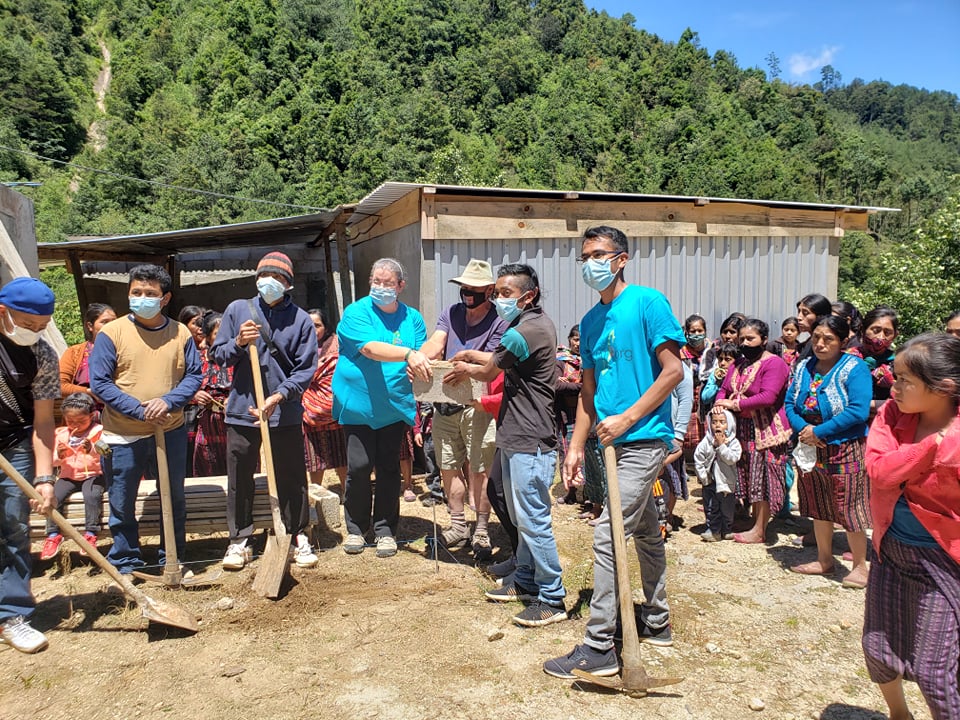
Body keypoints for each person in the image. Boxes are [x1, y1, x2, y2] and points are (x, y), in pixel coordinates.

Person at [543, 226, 684, 678]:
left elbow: (673, 372)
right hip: (606, 444)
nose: (590, 264)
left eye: (598, 255)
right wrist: (575, 447)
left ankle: (600, 646)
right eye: (584, 256)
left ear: (621, 259)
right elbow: (588, 393)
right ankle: (657, 622)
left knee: (607, 533)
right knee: (642, 531)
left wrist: (628, 418)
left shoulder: (647, 303)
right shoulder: (590, 321)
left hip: (643, 439)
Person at [445, 263, 566, 628]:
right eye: (496, 293)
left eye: (505, 294)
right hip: (520, 435)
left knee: (533, 521)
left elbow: (488, 371)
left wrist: (464, 367)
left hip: (530, 439)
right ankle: (526, 580)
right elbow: (495, 360)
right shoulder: (532, 325)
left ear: (528, 296)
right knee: (521, 517)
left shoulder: (523, 331)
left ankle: (552, 597)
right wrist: (469, 356)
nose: (498, 299)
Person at [862, 333, 960, 720]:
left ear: (944, 388)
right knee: (877, 649)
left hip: (944, 561)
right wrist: (933, 445)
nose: (893, 386)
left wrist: (921, 450)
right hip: (891, 549)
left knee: (935, 671)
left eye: (905, 380)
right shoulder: (891, 414)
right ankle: (899, 715)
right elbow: (879, 471)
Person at [90, 265, 202, 575]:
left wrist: (167, 401)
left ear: (165, 298)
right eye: (136, 292)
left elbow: (194, 375)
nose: (142, 298)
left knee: (173, 496)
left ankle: (173, 558)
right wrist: (141, 410)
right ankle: (126, 562)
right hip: (123, 433)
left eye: (150, 294)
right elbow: (99, 383)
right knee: (122, 500)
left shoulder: (180, 333)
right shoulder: (111, 334)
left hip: (170, 429)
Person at [210, 252, 319, 570]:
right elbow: (218, 355)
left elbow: (305, 368)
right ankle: (239, 540)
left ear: (288, 283)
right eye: (264, 275)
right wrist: (239, 344)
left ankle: (297, 535)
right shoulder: (238, 310)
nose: (269, 281)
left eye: (277, 277)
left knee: (291, 475)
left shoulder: (300, 319)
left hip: (282, 412)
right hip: (243, 409)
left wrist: (280, 396)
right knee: (239, 476)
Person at [332, 258, 429, 558]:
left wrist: (421, 360)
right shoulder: (356, 313)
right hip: (358, 405)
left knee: (389, 468)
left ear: (401, 286)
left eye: (388, 283)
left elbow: (423, 350)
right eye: (377, 281)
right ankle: (357, 528)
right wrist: (409, 354)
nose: (381, 287)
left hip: (393, 405)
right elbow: (370, 349)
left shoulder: (412, 318)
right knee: (359, 467)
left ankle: (386, 529)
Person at [417, 258, 506, 559]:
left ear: (490, 290)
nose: (468, 292)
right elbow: (436, 342)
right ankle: (457, 525)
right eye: (465, 287)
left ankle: (481, 528)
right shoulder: (451, 313)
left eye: (475, 288)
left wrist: (466, 364)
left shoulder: (499, 320)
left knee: (481, 469)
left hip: (478, 404)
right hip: (445, 402)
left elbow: (491, 361)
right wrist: (418, 358)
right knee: (448, 466)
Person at [785, 316, 872, 588]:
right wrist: (805, 431)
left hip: (844, 447)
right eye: (816, 338)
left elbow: (858, 410)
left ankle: (860, 566)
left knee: (851, 505)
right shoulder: (803, 367)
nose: (820, 344)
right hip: (810, 446)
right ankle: (824, 559)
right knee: (818, 501)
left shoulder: (855, 367)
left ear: (843, 341)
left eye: (829, 339)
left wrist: (819, 432)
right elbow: (789, 404)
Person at [0, 277, 58, 653]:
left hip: (15, 445)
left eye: (40, 327)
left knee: (12, 528)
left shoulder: (42, 355)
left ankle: (12, 613)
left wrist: (44, 477)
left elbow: (43, 422)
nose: (33, 333)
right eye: (27, 324)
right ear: (3, 312)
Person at [713, 318, 792, 544]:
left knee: (764, 478)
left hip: (767, 428)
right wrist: (720, 404)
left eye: (751, 338)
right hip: (744, 428)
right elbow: (724, 389)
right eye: (742, 339)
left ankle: (760, 529)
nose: (745, 343)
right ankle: (751, 520)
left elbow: (768, 396)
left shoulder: (774, 364)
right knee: (748, 474)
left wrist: (734, 404)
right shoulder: (738, 364)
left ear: (764, 340)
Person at [39, 393, 105, 560]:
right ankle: (53, 534)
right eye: (70, 421)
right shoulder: (60, 434)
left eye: (81, 421)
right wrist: (60, 455)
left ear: (91, 416)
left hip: (93, 474)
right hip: (68, 475)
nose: (75, 425)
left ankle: (91, 533)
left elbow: (105, 454)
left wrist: (91, 448)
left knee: (91, 495)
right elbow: (52, 462)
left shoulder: (99, 431)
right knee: (54, 497)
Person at [301, 309, 347, 493]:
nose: (313, 329)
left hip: (335, 412)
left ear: (326, 327)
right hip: (311, 415)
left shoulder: (337, 346)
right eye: (309, 325)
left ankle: (347, 493)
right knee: (315, 460)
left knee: (341, 456)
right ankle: (316, 494)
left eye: (317, 325)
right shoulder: (300, 348)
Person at [192, 311, 232, 477]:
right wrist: (194, 395)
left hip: (234, 422)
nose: (224, 337)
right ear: (207, 337)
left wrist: (234, 398)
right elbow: (180, 385)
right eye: (218, 333)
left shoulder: (241, 358)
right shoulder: (196, 359)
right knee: (207, 467)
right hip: (206, 424)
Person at [694, 408, 741, 541]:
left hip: (726, 483)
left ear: (730, 424)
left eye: (722, 422)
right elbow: (698, 459)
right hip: (710, 482)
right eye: (714, 422)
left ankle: (726, 529)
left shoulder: (733, 443)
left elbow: (732, 458)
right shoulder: (706, 442)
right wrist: (703, 477)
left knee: (727, 509)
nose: (718, 425)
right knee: (710, 507)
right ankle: (713, 530)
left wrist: (721, 446)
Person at [59, 303, 116, 408]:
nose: (111, 326)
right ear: (90, 326)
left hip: (118, 413)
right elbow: (60, 386)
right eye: (104, 322)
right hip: (81, 416)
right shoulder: (74, 352)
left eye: (114, 321)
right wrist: (89, 392)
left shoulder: (124, 350)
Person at [848, 306, 899, 421]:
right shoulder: (846, 359)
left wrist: (877, 405)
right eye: (876, 331)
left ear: (895, 335)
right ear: (863, 329)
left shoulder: (899, 364)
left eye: (887, 332)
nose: (880, 338)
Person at [179, 305, 206, 478]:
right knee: (186, 452)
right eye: (196, 323)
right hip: (186, 409)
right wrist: (192, 395)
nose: (201, 328)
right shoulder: (178, 350)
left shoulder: (213, 351)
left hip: (209, 412)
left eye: (204, 323)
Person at [680, 314, 711, 457]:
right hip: (688, 395)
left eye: (700, 331)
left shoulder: (712, 352)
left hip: (706, 397)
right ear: (686, 332)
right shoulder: (680, 352)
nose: (697, 334)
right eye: (693, 331)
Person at [700, 342, 738, 411]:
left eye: (727, 359)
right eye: (720, 359)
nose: (722, 363)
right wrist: (717, 383)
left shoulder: (740, 374)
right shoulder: (715, 375)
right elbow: (705, 398)